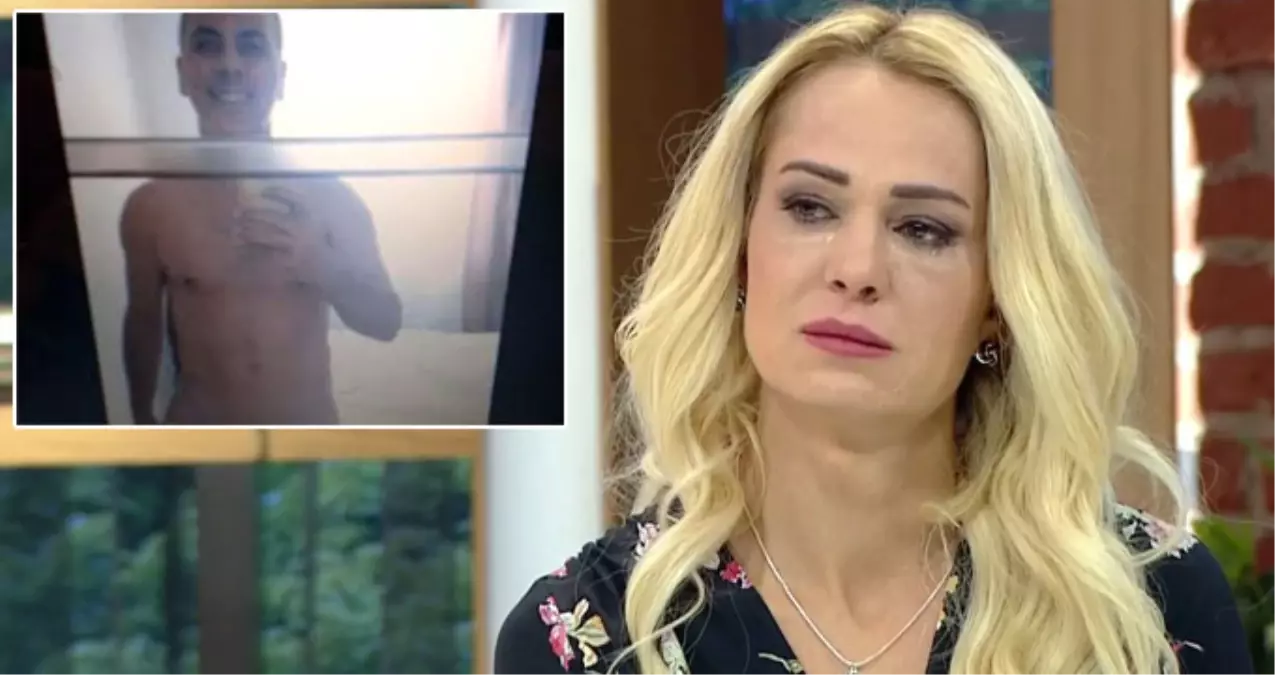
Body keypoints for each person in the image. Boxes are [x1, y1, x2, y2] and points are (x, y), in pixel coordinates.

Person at [496, 5, 1249, 675]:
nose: (857, 270)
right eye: (810, 207)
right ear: (739, 249)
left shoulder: (1146, 605)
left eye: (923, 228)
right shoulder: (587, 637)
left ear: (998, 302)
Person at [121, 13, 402, 425]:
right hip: (199, 430)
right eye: (207, 45)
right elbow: (143, 321)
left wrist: (321, 263)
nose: (230, 65)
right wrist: (141, 420)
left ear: (280, 76)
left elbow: (386, 323)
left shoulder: (331, 199)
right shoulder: (151, 206)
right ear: (182, 73)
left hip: (304, 436)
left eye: (251, 46)